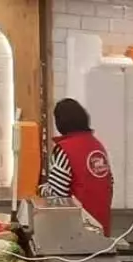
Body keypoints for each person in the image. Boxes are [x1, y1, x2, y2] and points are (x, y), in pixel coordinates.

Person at [41, 98, 115, 235]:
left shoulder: (65, 149)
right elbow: (109, 184)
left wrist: (39, 189)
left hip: (75, 231)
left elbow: (57, 196)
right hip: (101, 228)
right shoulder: (97, 146)